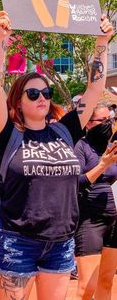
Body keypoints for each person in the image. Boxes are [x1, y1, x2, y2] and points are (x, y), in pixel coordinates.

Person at [0, 10, 114, 300]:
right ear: (18, 102)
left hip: (60, 240)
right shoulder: (9, 135)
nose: (42, 98)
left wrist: (102, 43)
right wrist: (2, 43)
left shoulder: (65, 130)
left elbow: (95, 88)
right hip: (18, 241)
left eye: (45, 93)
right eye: (33, 94)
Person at [74, 103, 117, 300]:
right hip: (89, 219)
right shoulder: (81, 146)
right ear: (89, 123)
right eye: (103, 120)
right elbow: (76, 182)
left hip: (113, 219)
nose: (108, 124)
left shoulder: (112, 146)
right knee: (87, 287)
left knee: (106, 280)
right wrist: (103, 165)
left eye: (111, 119)